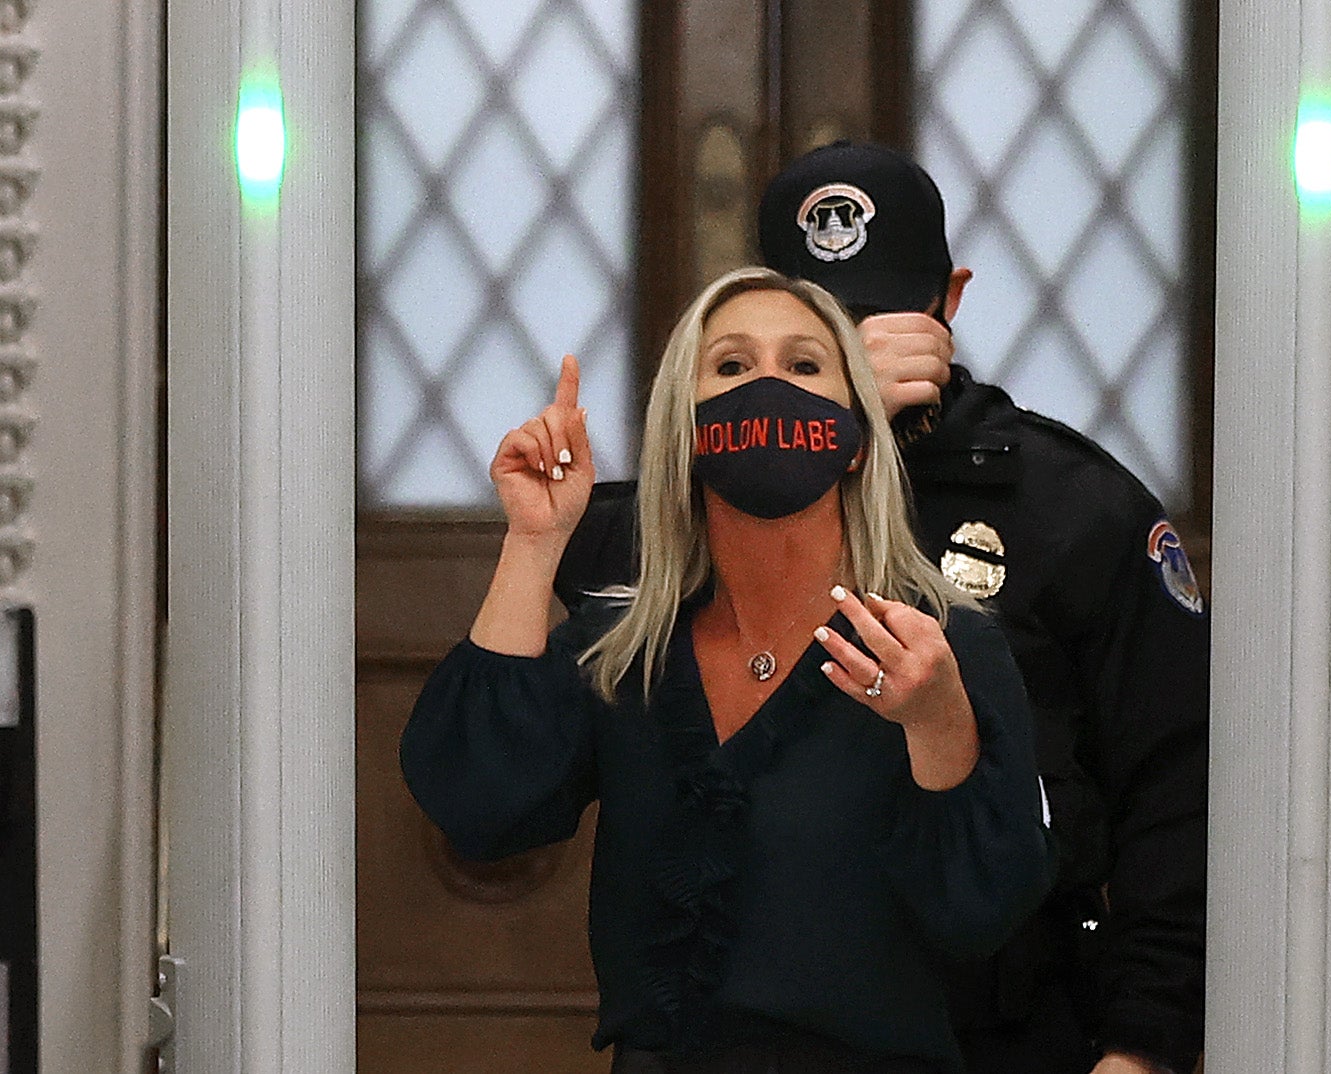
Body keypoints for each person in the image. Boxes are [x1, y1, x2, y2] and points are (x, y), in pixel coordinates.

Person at [559, 142, 1209, 1074]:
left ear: (952, 299)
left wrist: (1144, 1045)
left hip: (1005, 1026)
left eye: (881, 317)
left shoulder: (1073, 512)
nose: (857, 355)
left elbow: (1176, 795)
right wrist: (821, 420)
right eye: (820, 331)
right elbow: (605, 601)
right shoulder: (699, 501)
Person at [401, 266, 1056, 1074]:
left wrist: (936, 720)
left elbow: (982, 913)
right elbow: (479, 803)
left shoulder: (935, 647)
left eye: (806, 365)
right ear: (689, 430)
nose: (769, 388)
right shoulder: (625, 651)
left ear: (856, 441)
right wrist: (535, 544)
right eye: (733, 366)